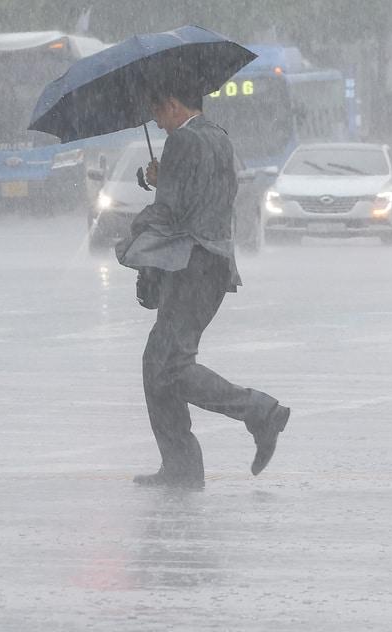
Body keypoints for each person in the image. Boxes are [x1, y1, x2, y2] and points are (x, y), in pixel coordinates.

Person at [116, 85, 290, 491]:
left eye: (158, 112)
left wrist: (133, 238)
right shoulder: (217, 136)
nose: (157, 122)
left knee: (170, 367)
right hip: (213, 267)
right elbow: (204, 197)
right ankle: (181, 465)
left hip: (190, 265)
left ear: (173, 104)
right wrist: (163, 178)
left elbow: (169, 212)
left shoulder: (181, 141)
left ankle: (259, 412)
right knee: (158, 363)